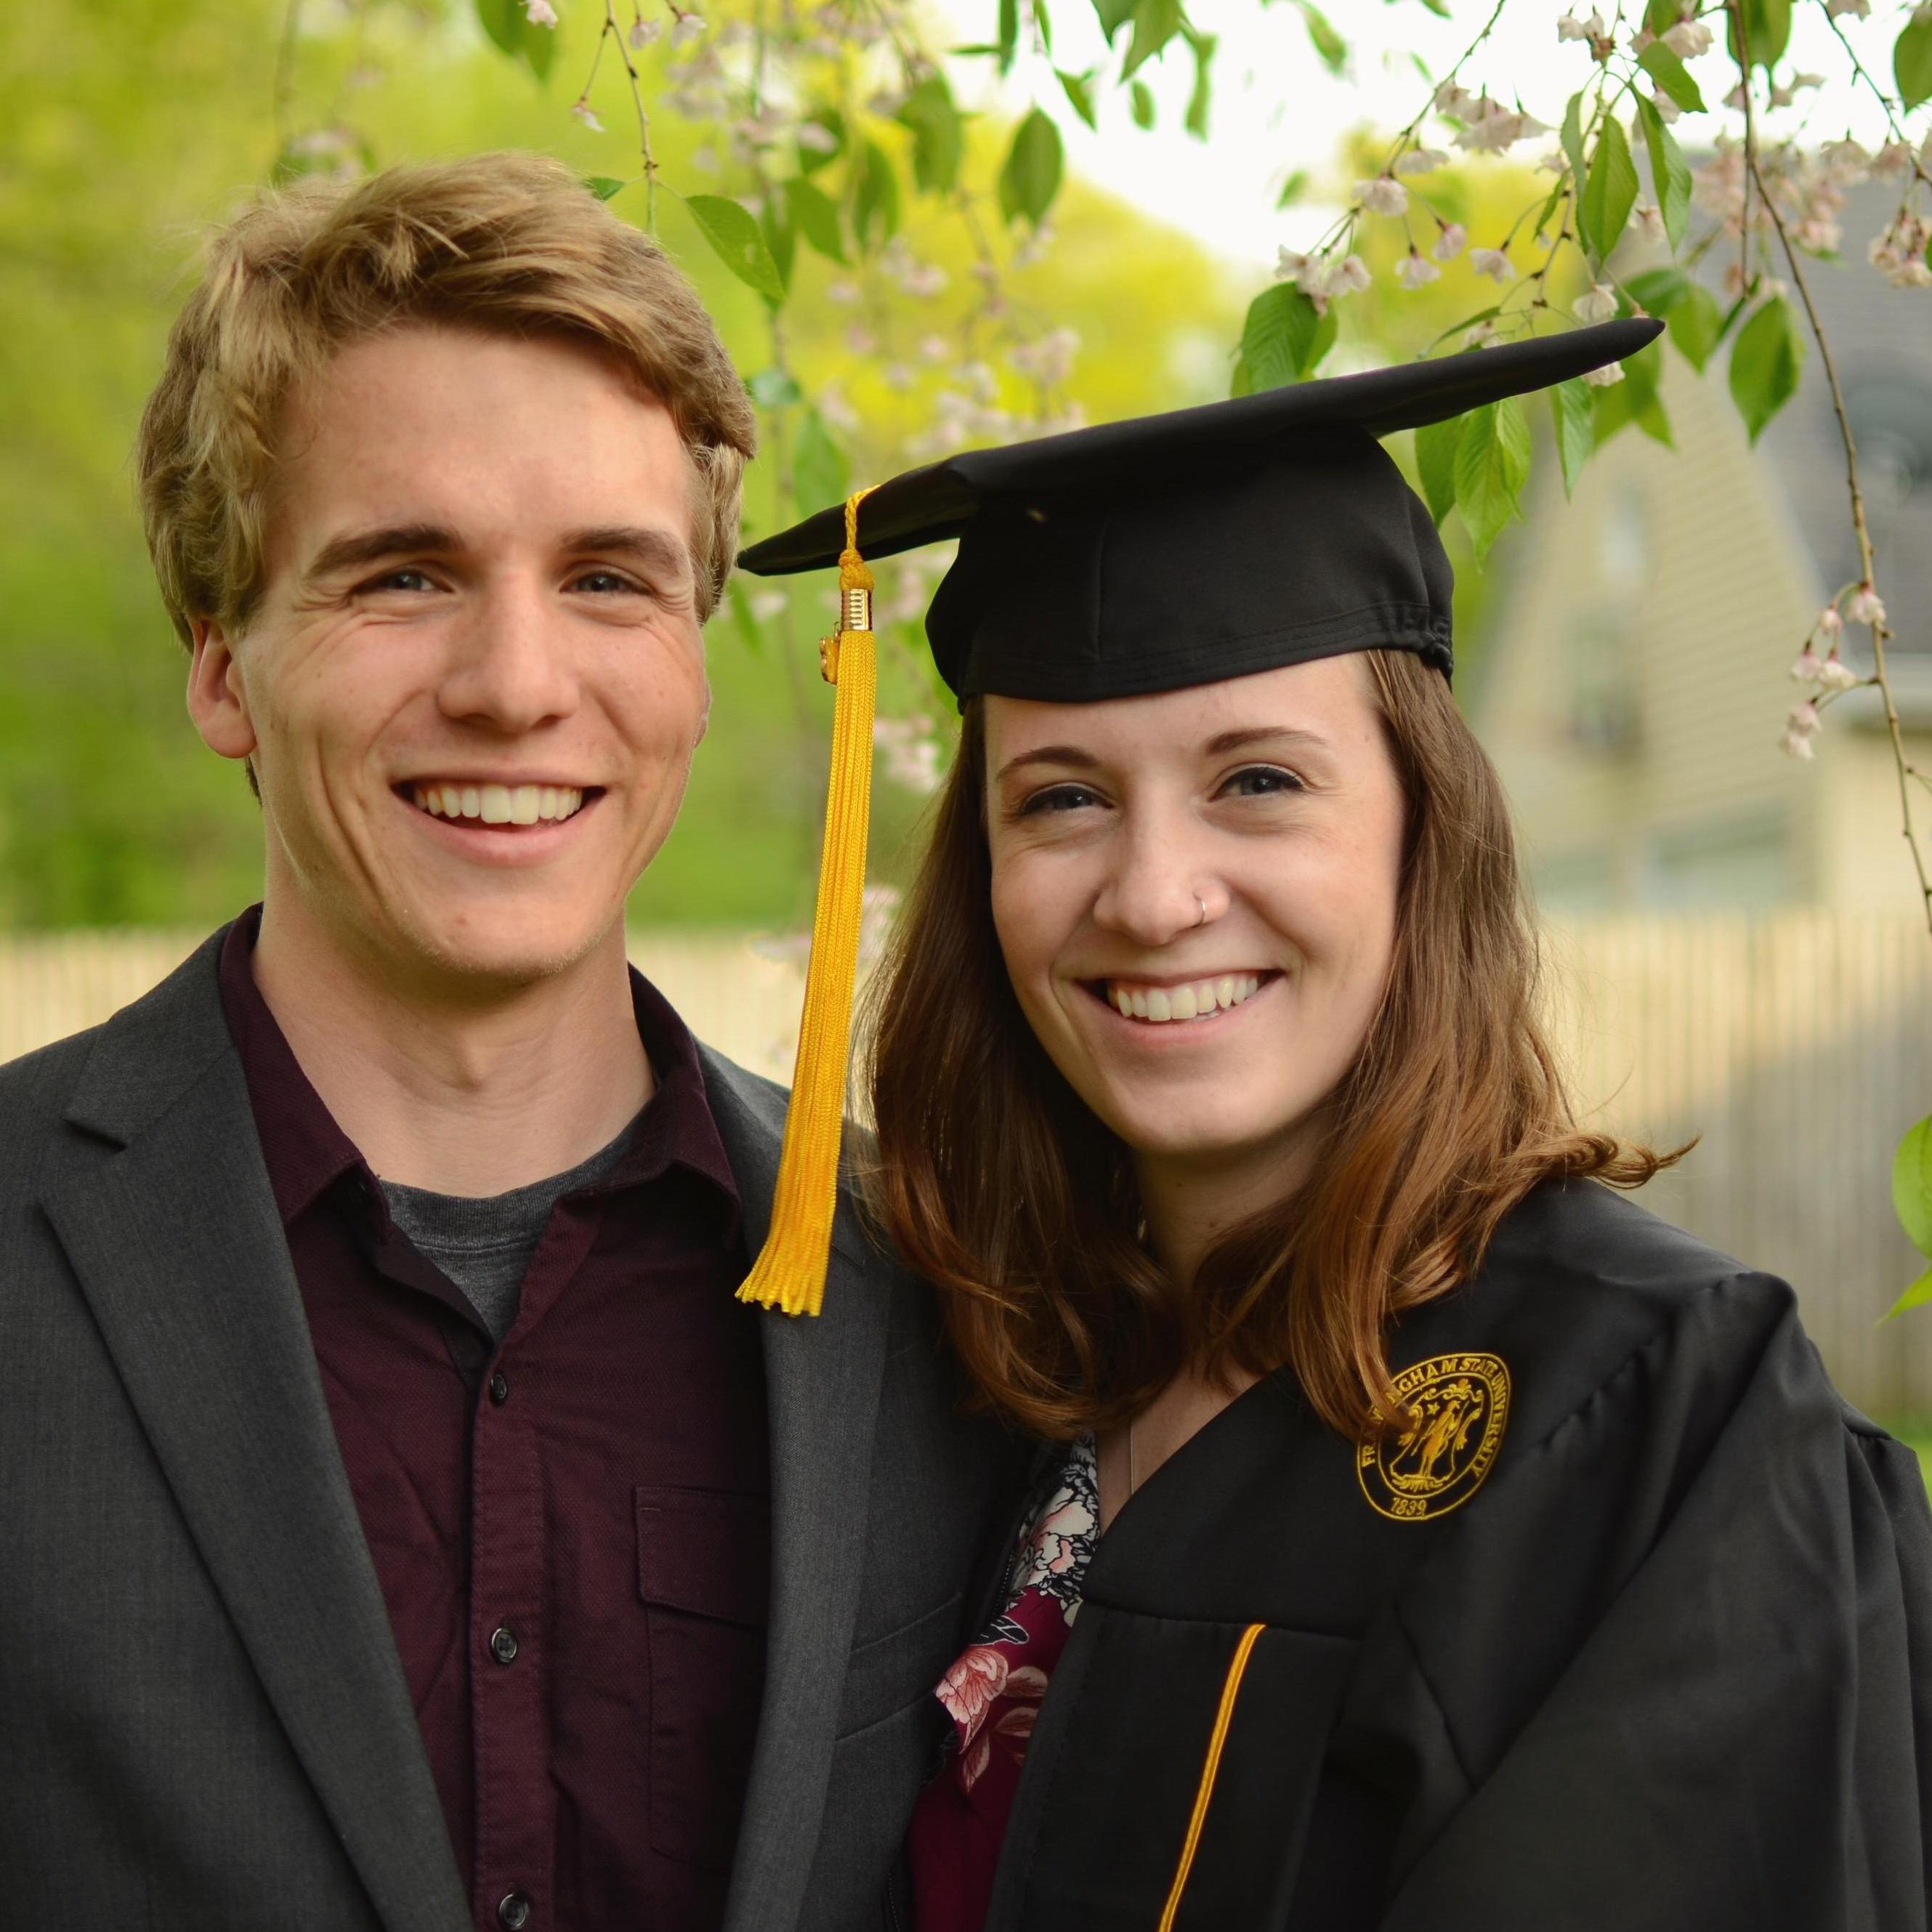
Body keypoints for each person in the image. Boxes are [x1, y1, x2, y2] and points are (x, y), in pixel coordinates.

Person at [735, 317, 1932, 1931]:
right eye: (1064, 797)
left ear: (1419, 833)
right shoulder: (954, 1382)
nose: (1154, 895)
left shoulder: (1665, 1429)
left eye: (1259, 783)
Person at [0, 153, 1019, 1932]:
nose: (515, 682)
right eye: (403, 575)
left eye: (610, 581)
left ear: (695, 658)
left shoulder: (948, 1300)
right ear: (224, 662)